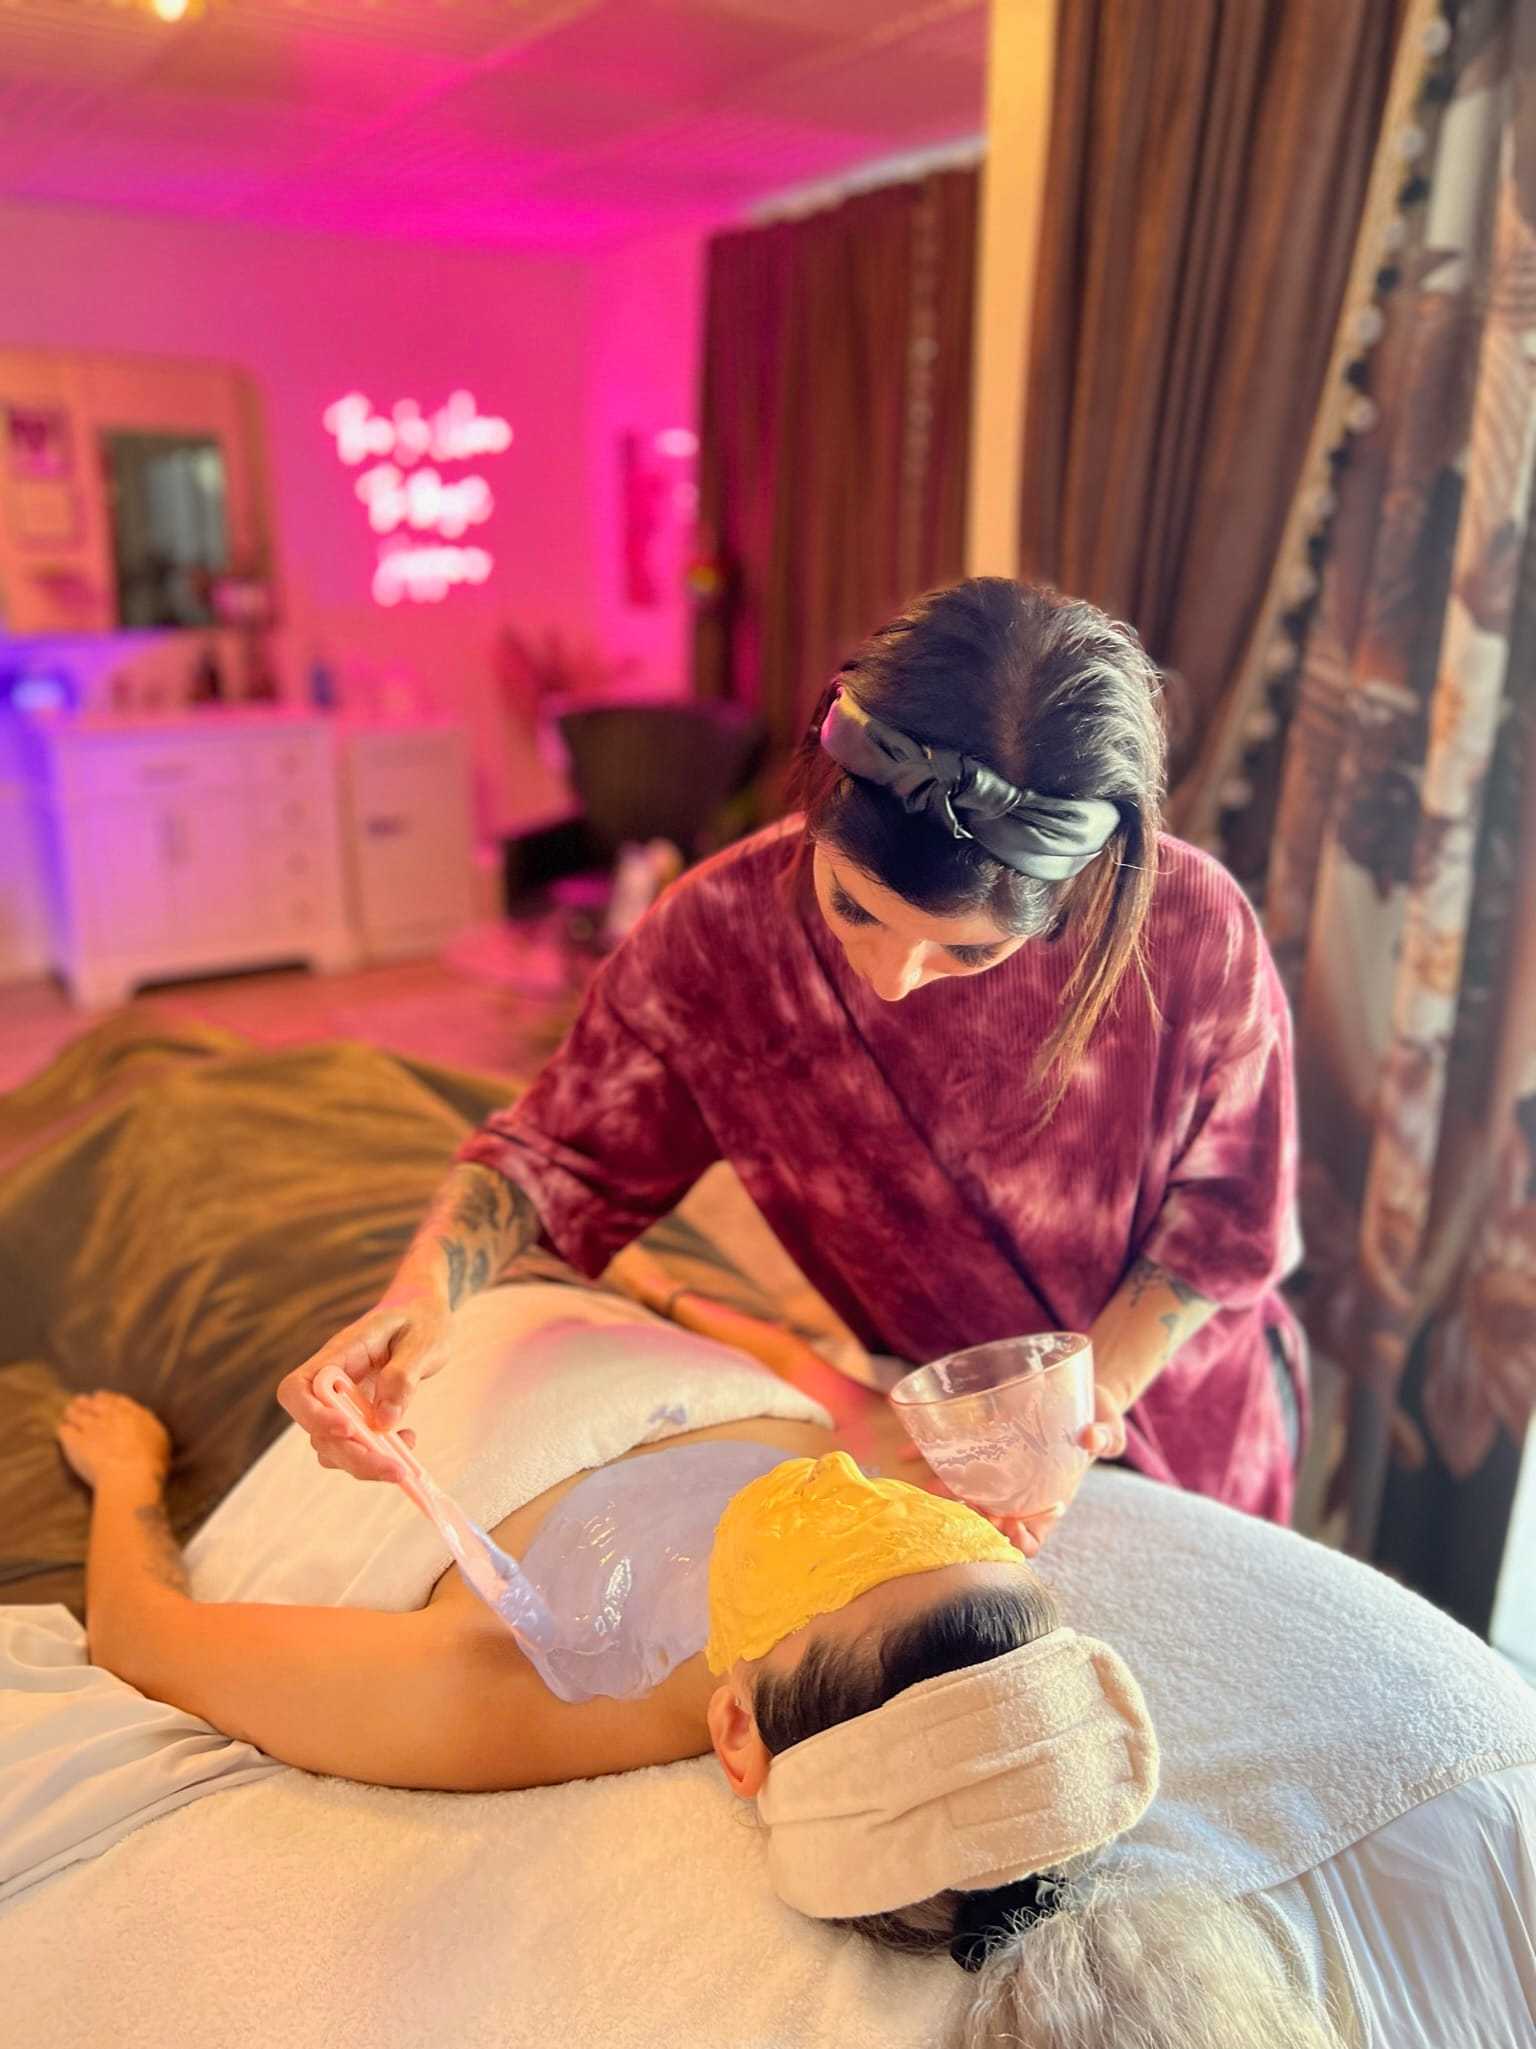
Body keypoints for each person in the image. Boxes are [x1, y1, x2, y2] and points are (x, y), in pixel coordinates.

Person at [48, 1281, 1536, 2049]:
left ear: (737, 1734)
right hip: (616, 1311)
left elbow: (149, 1639)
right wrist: (679, 1294)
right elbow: (848, 1403)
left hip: (436, 1374)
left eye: (855, 1562)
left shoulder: (538, 1690)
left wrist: (128, 1478)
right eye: (929, 1535)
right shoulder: (949, 1555)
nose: (875, 1507)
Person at [279, 579, 1305, 1542]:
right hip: (945, 1441)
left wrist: (1087, 1406)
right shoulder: (719, 939)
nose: (895, 978)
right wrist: (419, 1298)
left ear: (1079, 890)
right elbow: (553, 1159)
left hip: (1184, 1417)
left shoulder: (1186, 927)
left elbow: (1224, 1223)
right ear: (815, 804)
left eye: (970, 951)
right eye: (854, 908)